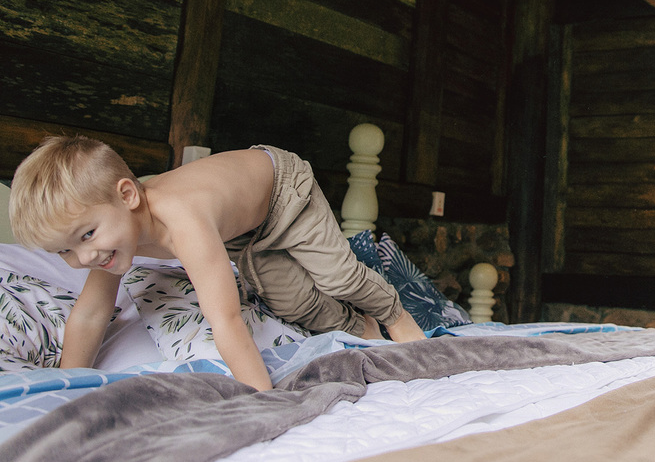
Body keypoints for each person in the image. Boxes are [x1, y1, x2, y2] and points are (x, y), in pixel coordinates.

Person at [7, 136, 426, 391]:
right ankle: (362, 329)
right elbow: (90, 314)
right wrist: (68, 383)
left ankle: (393, 314)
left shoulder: (181, 219)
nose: (83, 259)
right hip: (241, 230)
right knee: (293, 303)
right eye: (64, 252)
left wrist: (261, 394)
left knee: (338, 275)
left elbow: (224, 318)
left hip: (284, 191)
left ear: (128, 196)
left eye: (85, 236)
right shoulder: (109, 236)